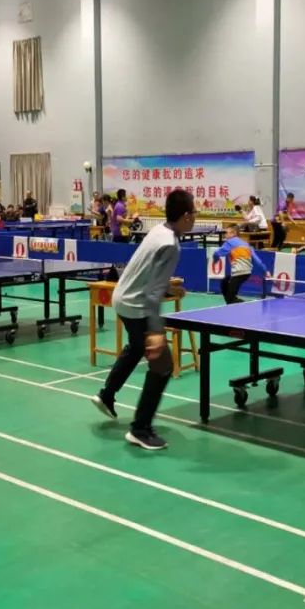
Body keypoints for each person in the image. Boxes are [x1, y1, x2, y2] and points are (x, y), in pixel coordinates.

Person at [92, 189, 197, 450]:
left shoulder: (158, 231)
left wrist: (169, 289)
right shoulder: (171, 245)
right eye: (194, 213)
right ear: (186, 216)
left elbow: (149, 276)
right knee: (163, 365)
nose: (195, 217)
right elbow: (151, 294)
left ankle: (107, 395)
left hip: (121, 296)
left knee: (137, 347)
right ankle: (140, 429)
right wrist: (156, 332)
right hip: (135, 304)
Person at [214, 224, 270, 304]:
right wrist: (265, 270)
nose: (225, 235)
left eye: (226, 233)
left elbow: (217, 253)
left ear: (234, 233)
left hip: (239, 272)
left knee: (230, 297)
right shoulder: (246, 244)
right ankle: (231, 304)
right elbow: (257, 260)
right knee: (225, 282)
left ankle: (244, 305)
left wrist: (215, 260)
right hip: (247, 273)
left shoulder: (229, 242)